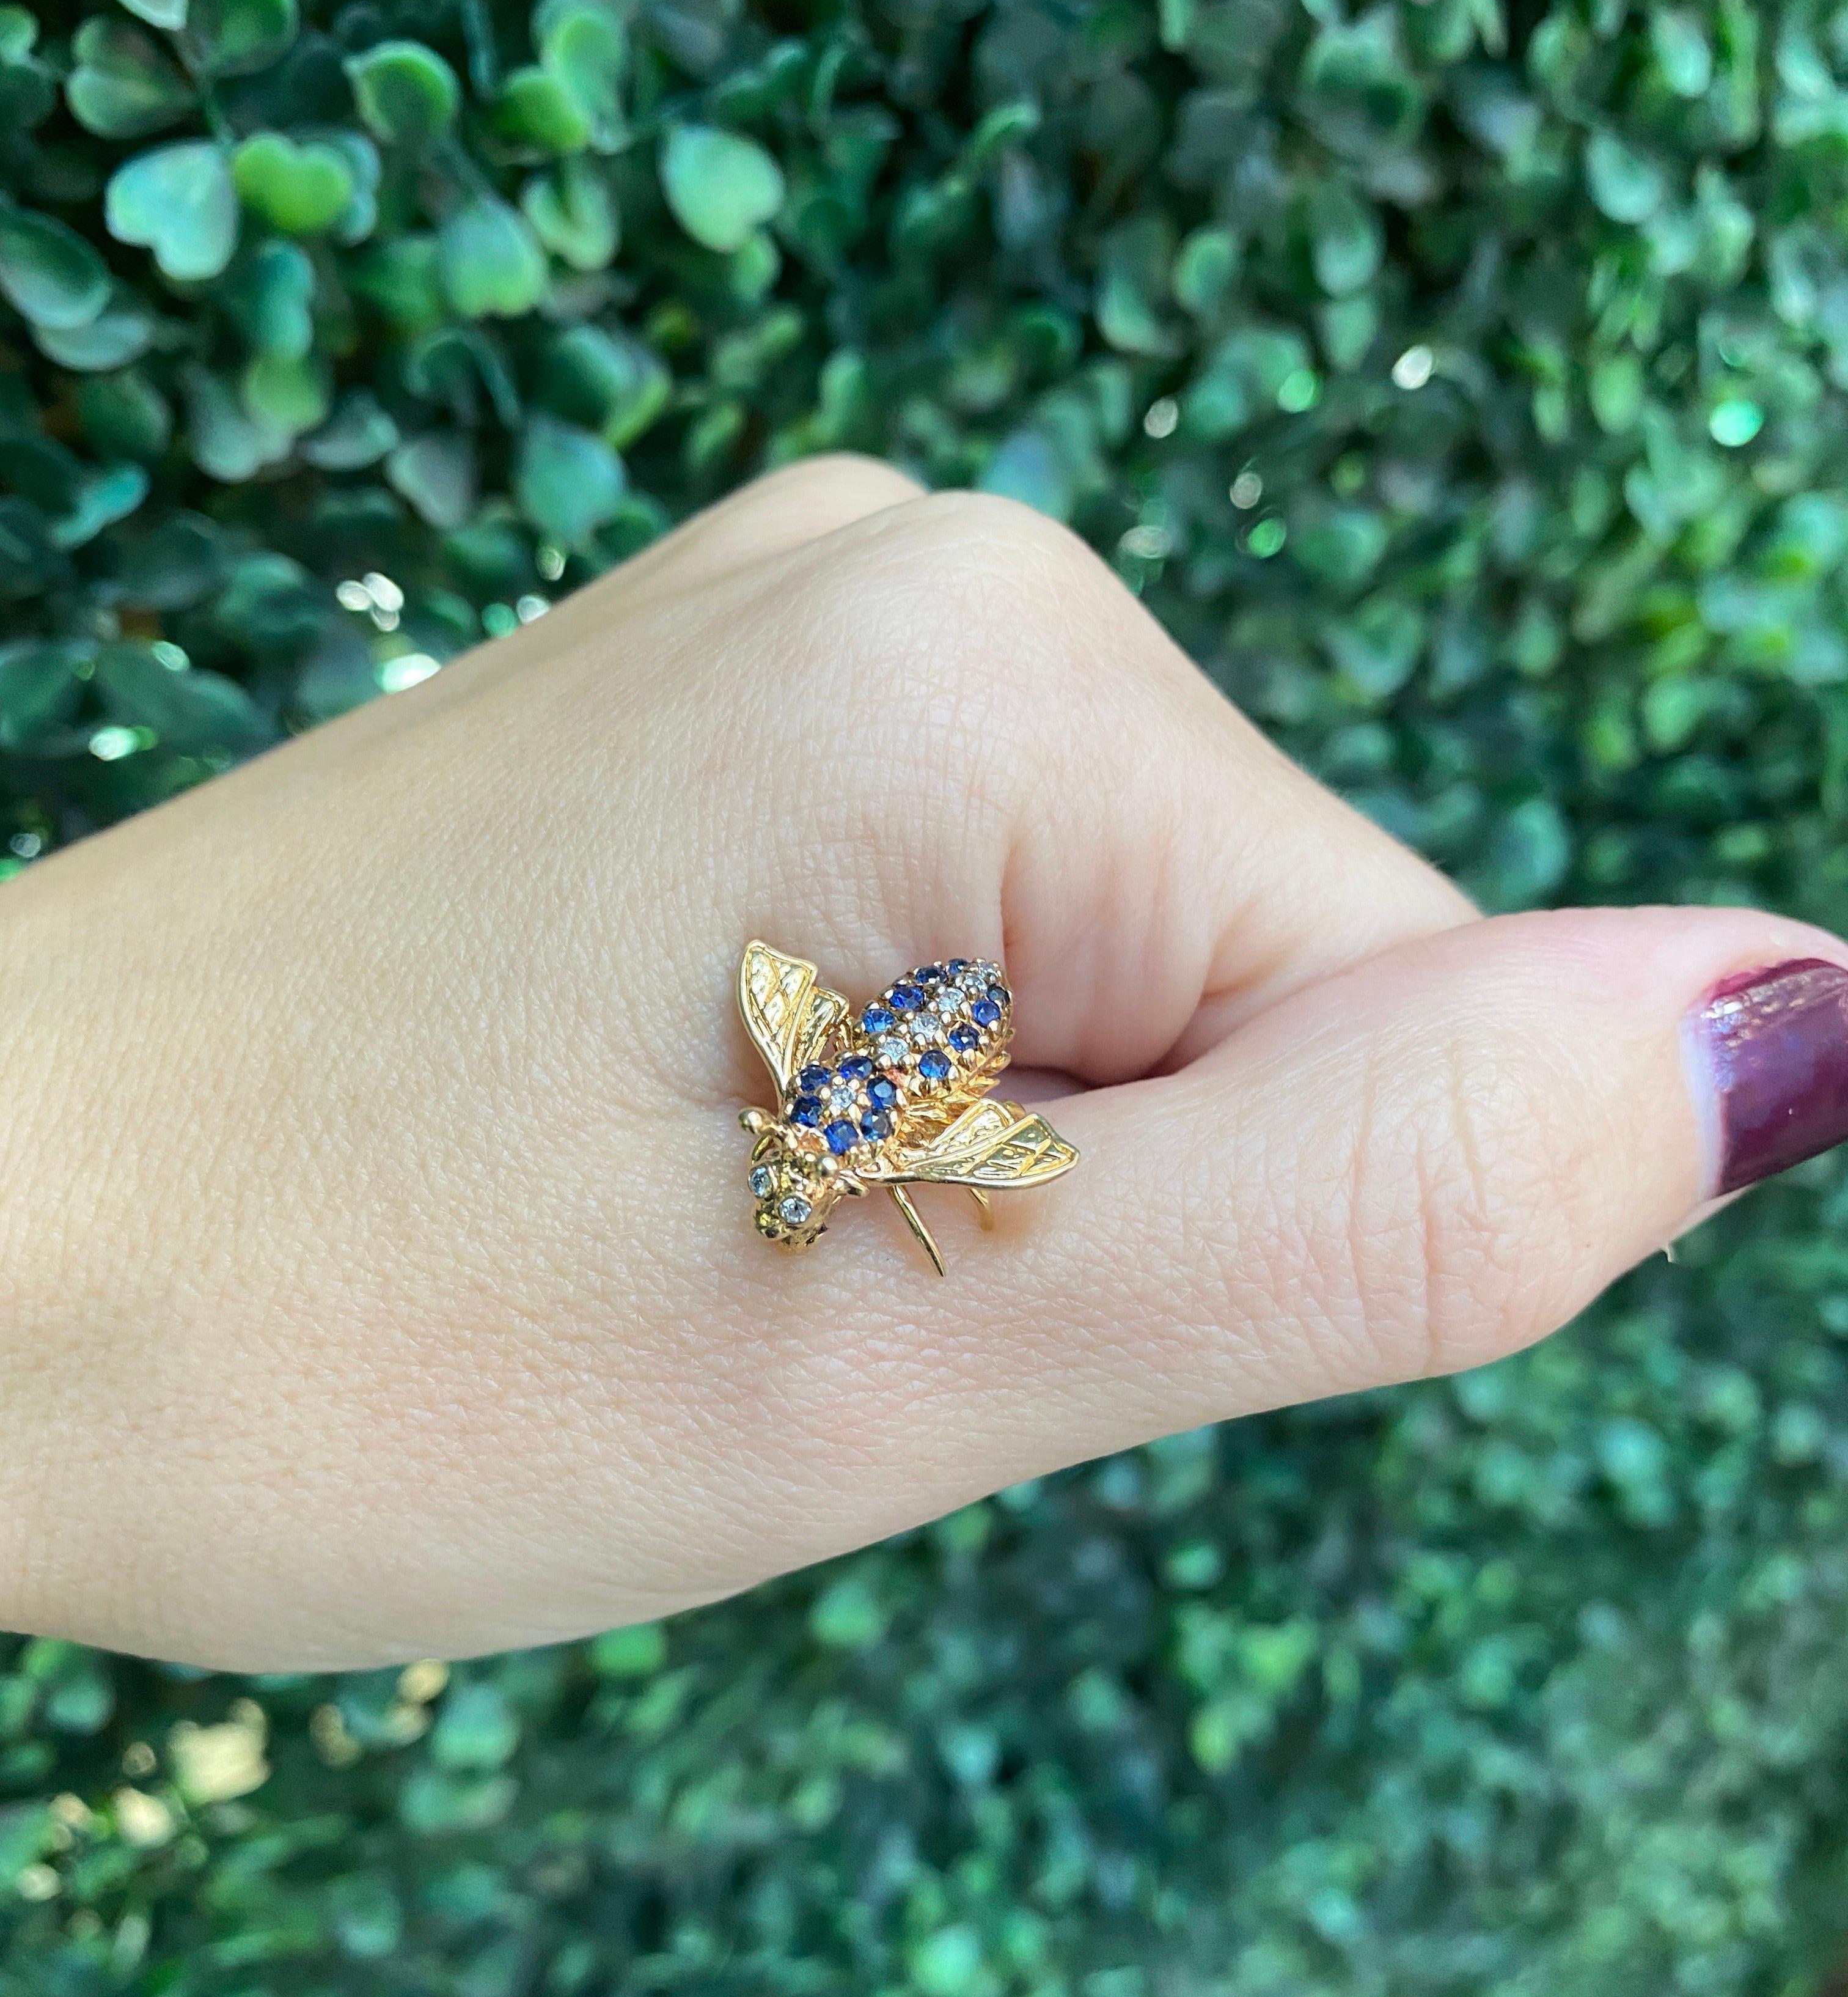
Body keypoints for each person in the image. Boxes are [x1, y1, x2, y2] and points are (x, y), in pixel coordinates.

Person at [3, 457, 1844, 1671]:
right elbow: (842, 1065)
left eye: (802, 1182)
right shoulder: (836, 1110)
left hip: (925, 1041)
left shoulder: (877, 1118)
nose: (784, 1191)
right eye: (793, 1183)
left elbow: (923, 1119)